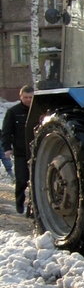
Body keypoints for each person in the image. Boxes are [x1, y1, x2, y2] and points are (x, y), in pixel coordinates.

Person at [2, 85, 34, 214]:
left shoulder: (39, 111)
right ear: (20, 97)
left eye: (30, 98)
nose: (28, 100)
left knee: (35, 182)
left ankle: (32, 208)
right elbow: (6, 132)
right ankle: (19, 202)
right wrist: (7, 148)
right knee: (21, 180)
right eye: (25, 97)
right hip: (20, 152)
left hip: (35, 152)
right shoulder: (13, 112)